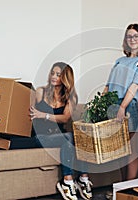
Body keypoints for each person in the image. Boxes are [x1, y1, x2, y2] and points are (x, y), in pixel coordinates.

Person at [30, 62, 92, 200]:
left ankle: (80, 178)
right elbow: (31, 114)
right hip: (41, 137)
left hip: (61, 137)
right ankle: (70, 181)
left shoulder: (71, 97)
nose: (53, 77)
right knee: (70, 137)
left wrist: (44, 115)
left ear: (65, 78)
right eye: (52, 73)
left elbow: (65, 118)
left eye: (58, 75)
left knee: (72, 140)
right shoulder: (41, 92)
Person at [103, 23, 138, 180]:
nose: (132, 39)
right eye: (129, 36)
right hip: (112, 105)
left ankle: (129, 187)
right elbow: (108, 85)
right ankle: (121, 187)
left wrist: (122, 107)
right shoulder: (119, 61)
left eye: (136, 36)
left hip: (128, 106)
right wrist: (100, 106)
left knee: (130, 149)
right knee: (119, 150)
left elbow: (135, 85)